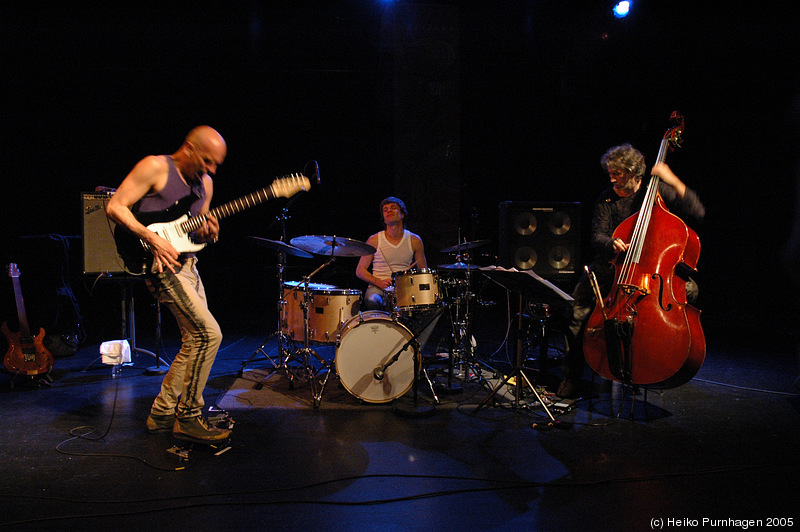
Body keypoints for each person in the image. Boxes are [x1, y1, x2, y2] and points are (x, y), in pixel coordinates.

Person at [105, 125, 231, 443]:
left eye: (216, 164)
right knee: (208, 334)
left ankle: (161, 415)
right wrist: (151, 238)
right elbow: (115, 206)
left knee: (194, 341)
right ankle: (188, 417)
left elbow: (193, 230)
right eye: (207, 160)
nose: (211, 169)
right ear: (189, 148)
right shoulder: (156, 167)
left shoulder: (206, 185)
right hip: (161, 266)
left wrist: (208, 231)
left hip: (189, 264)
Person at [558, 143, 705, 398]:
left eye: (618, 173)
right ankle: (571, 375)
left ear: (635, 174)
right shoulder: (606, 198)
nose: (612, 178)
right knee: (577, 309)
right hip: (612, 266)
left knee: (689, 290)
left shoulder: (654, 192)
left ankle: (650, 361)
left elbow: (697, 211)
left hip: (652, 269)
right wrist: (609, 243)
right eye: (611, 173)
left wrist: (671, 179)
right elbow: (597, 236)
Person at [356, 197, 428, 311]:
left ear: (402, 214)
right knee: (372, 301)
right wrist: (379, 282)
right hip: (377, 288)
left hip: (404, 288)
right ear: (384, 219)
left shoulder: (414, 240)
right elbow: (360, 270)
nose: (389, 211)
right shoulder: (374, 240)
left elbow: (423, 272)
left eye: (393, 208)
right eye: (385, 210)